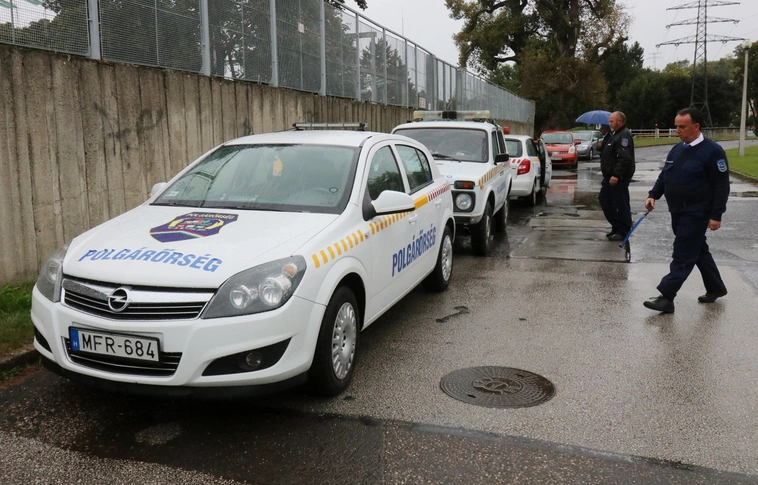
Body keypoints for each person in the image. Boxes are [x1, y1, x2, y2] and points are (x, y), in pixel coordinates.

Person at [643, 107, 730, 313]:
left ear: (696, 126)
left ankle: (667, 296)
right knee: (698, 251)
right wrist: (653, 194)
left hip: (697, 212)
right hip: (677, 210)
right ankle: (716, 288)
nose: (677, 130)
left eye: (682, 127)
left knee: (682, 252)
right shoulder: (677, 149)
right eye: (676, 126)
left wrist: (716, 215)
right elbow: (665, 176)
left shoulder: (713, 151)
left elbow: (721, 186)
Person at [598, 112, 635, 241]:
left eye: (612, 121)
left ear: (619, 121)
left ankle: (623, 230)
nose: (609, 124)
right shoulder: (615, 135)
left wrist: (616, 174)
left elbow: (624, 158)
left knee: (620, 203)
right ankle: (617, 226)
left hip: (618, 177)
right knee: (606, 200)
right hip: (609, 176)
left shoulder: (624, 135)